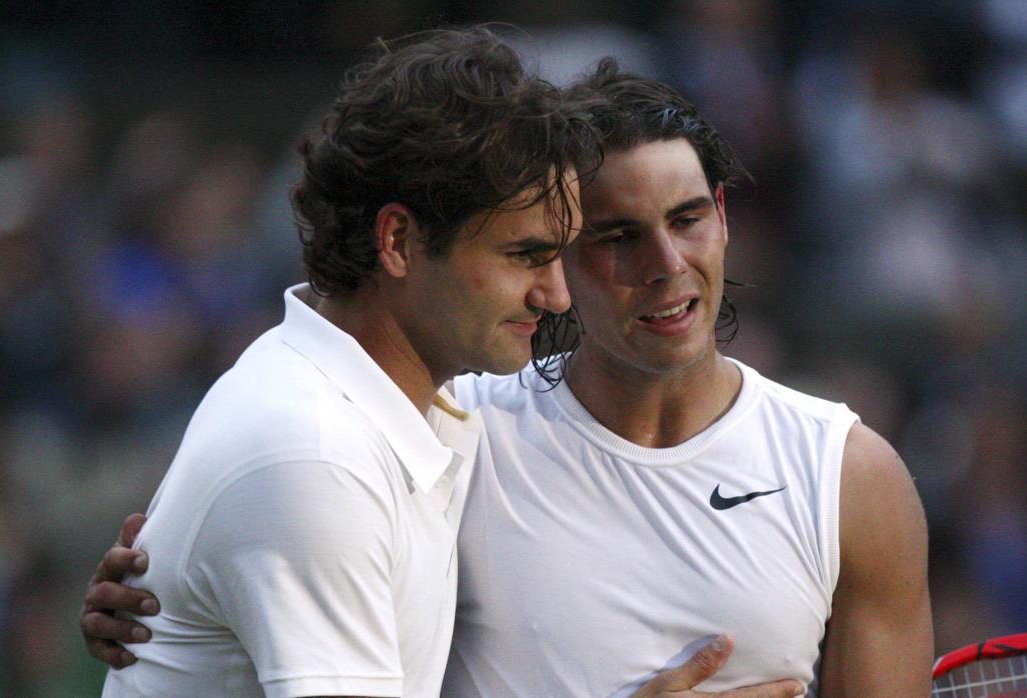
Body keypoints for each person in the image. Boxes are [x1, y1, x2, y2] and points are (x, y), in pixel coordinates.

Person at [83, 57, 932, 696]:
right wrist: (182, 606)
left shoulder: (850, 479)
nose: (669, 265)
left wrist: (182, 598)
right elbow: (286, 496)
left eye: (688, 219)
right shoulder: (438, 433)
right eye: (614, 237)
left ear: (724, 216)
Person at [94, 27, 590, 698]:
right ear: (398, 241)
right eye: (525, 254)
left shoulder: (413, 404)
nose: (556, 293)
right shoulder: (314, 456)